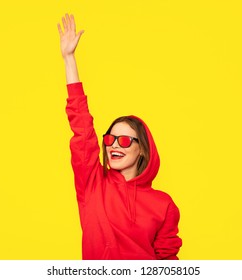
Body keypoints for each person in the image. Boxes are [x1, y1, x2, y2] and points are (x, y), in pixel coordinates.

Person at [58, 14, 182, 260]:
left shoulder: (163, 205)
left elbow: (169, 262)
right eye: (110, 139)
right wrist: (69, 59)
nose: (114, 145)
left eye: (125, 140)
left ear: (142, 150)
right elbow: (82, 129)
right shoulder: (92, 185)